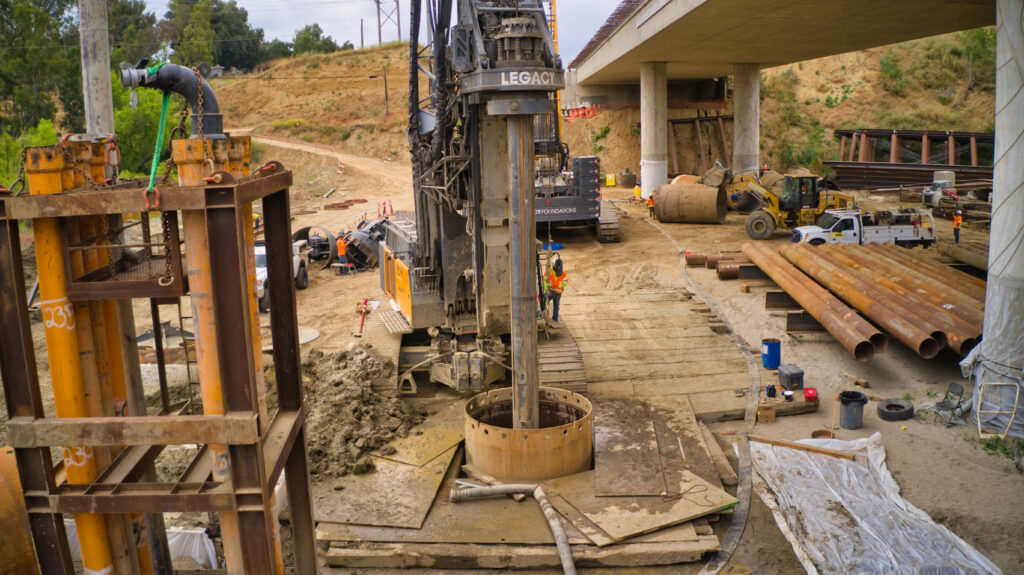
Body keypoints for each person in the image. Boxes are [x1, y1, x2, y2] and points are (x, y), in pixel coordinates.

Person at [547, 255, 567, 323]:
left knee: (556, 305)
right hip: (550, 291)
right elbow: (545, 280)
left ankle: (555, 320)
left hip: (557, 292)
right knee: (546, 303)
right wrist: (547, 289)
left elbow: (565, 280)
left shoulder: (562, 273)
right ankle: (546, 317)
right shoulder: (549, 272)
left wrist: (561, 287)